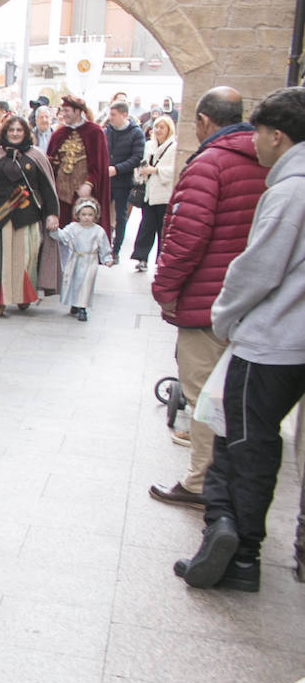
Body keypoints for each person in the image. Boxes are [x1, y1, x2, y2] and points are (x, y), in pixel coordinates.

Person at [175, 86, 305, 593]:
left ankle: (235, 547)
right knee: (252, 441)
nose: (253, 143)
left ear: (277, 135)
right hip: (288, 340)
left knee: (241, 444)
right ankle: (235, 542)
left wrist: (224, 317)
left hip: (271, 340)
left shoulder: (291, 189)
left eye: (257, 133)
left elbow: (257, 269)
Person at [149, 86, 267, 511]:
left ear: (202, 122)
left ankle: (201, 481)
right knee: (236, 396)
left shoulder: (210, 163)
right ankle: (227, 476)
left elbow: (185, 238)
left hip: (207, 300)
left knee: (201, 395)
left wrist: (165, 291)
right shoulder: (264, 162)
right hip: (251, 302)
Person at [0, 116, 59, 317]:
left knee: (26, 260)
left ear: (25, 132)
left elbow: (47, 189)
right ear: (4, 133)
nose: (15, 133)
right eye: (11, 130)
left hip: (28, 217)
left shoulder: (36, 157)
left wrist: (52, 214)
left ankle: (22, 295)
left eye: (19, 130)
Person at [46, 95, 111, 235]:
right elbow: (50, 163)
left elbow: (99, 165)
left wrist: (89, 184)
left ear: (77, 111)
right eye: (62, 110)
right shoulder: (58, 134)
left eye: (67, 110)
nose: (63, 114)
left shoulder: (94, 132)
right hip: (61, 194)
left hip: (83, 194)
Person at [50, 186, 113, 322]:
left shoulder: (98, 231)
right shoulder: (73, 228)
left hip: (90, 261)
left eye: (90, 215)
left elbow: (104, 246)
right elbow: (63, 236)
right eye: (84, 214)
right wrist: (55, 231)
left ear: (95, 216)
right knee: (74, 282)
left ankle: (82, 308)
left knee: (86, 283)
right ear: (78, 215)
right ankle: (74, 303)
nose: (86, 218)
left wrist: (106, 258)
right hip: (75, 259)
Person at [130, 115, 178, 271]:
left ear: (169, 129)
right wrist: (142, 172)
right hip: (148, 192)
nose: (158, 130)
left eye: (162, 127)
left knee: (162, 228)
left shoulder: (174, 147)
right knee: (146, 226)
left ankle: (161, 259)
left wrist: (156, 170)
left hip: (164, 193)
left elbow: (175, 170)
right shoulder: (149, 145)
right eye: (156, 127)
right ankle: (141, 257)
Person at [104, 101, 146, 262]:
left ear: (124, 115)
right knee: (102, 213)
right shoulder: (107, 131)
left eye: (113, 115)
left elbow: (136, 157)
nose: (110, 118)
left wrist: (117, 169)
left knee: (120, 216)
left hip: (122, 181)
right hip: (106, 181)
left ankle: (116, 251)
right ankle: (102, 246)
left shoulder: (136, 133)